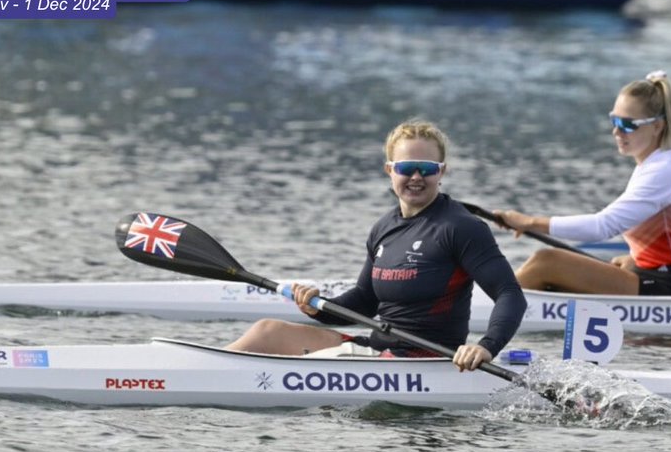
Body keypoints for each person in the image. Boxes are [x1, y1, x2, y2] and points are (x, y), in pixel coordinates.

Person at [226, 119, 527, 372]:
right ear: (390, 170)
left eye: (427, 168)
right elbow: (365, 301)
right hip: (378, 351)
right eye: (407, 167)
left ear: (442, 172)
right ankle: (204, 369)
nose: (417, 177)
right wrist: (316, 308)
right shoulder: (384, 228)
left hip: (427, 361)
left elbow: (509, 294)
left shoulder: (461, 227)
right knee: (268, 330)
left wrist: (486, 347)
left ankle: (202, 377)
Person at [495, 70, 671, 296]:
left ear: (657, 126)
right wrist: (637, 259)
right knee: (551, 269)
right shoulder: (660, 163)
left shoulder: (666, 170)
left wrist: (529, 222)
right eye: (614, 120)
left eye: (627, 124)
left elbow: (602, 226)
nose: (616, 131)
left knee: (547, 261)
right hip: (657, 276)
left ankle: (490, 308)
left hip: (669, 287)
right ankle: (502, 303)